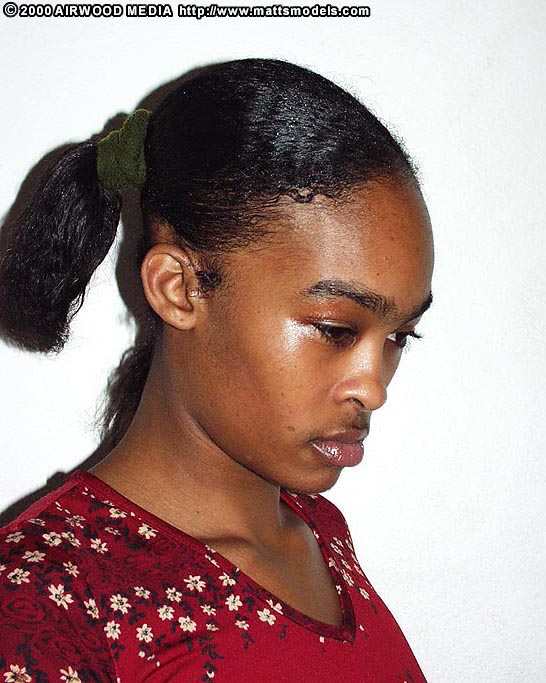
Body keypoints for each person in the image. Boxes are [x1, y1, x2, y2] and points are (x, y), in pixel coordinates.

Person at [0, 58, 434, 682]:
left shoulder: (318, 533)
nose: (374, 386)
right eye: (335, 329)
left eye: (399, 336)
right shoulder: (44, 606)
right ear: (178, 288)